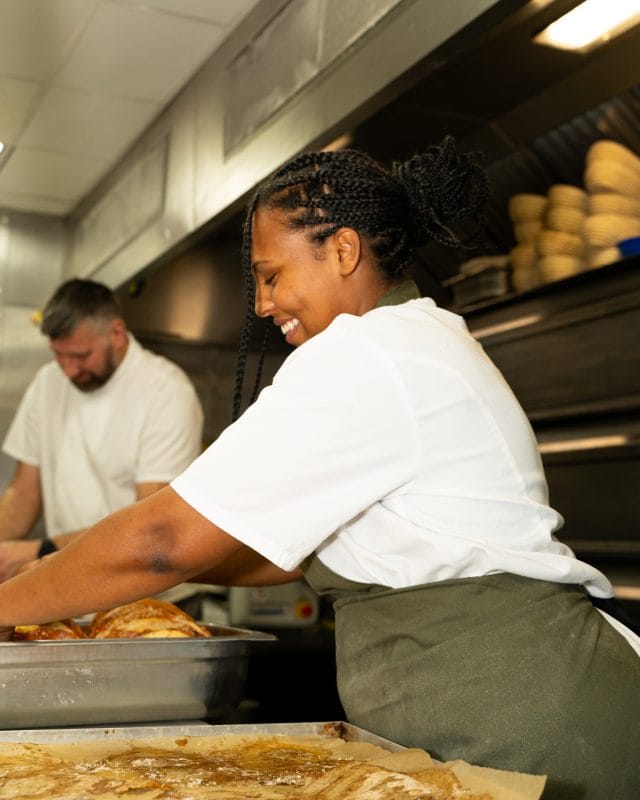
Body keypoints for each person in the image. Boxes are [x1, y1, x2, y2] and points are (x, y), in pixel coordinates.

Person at [0, 139, 638, 799]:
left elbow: (162, 544)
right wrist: (57, 573)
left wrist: (9, 600)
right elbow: (272, 558)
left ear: (343, 250)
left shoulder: (369, 354)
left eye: (271, 275)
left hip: (532, 724)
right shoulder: (410, 340)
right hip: (489, 715)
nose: (262, 304)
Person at [0, 278, 204, 580]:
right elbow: (24, 494)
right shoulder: (48, 382)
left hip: (144, 591)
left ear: (117, 333)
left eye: (81, 356)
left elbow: (150, 523)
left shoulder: (166, 391)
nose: (69, 370)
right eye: (59, 355)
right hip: (68, 578)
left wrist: (41, 550)